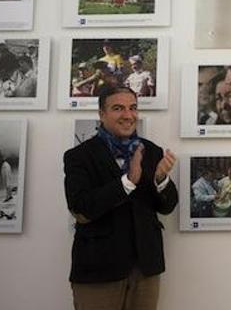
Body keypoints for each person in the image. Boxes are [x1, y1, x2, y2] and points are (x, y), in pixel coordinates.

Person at [63, 86, 178, 310]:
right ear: (101, 114)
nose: (128, 115)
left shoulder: (151, 151)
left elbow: (167, 206)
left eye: (132, 108)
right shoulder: (78, 156)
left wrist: (161, 179)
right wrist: (127, 182)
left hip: (146, 268)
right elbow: (81, 206)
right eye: (118, 108)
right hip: (98, 269)